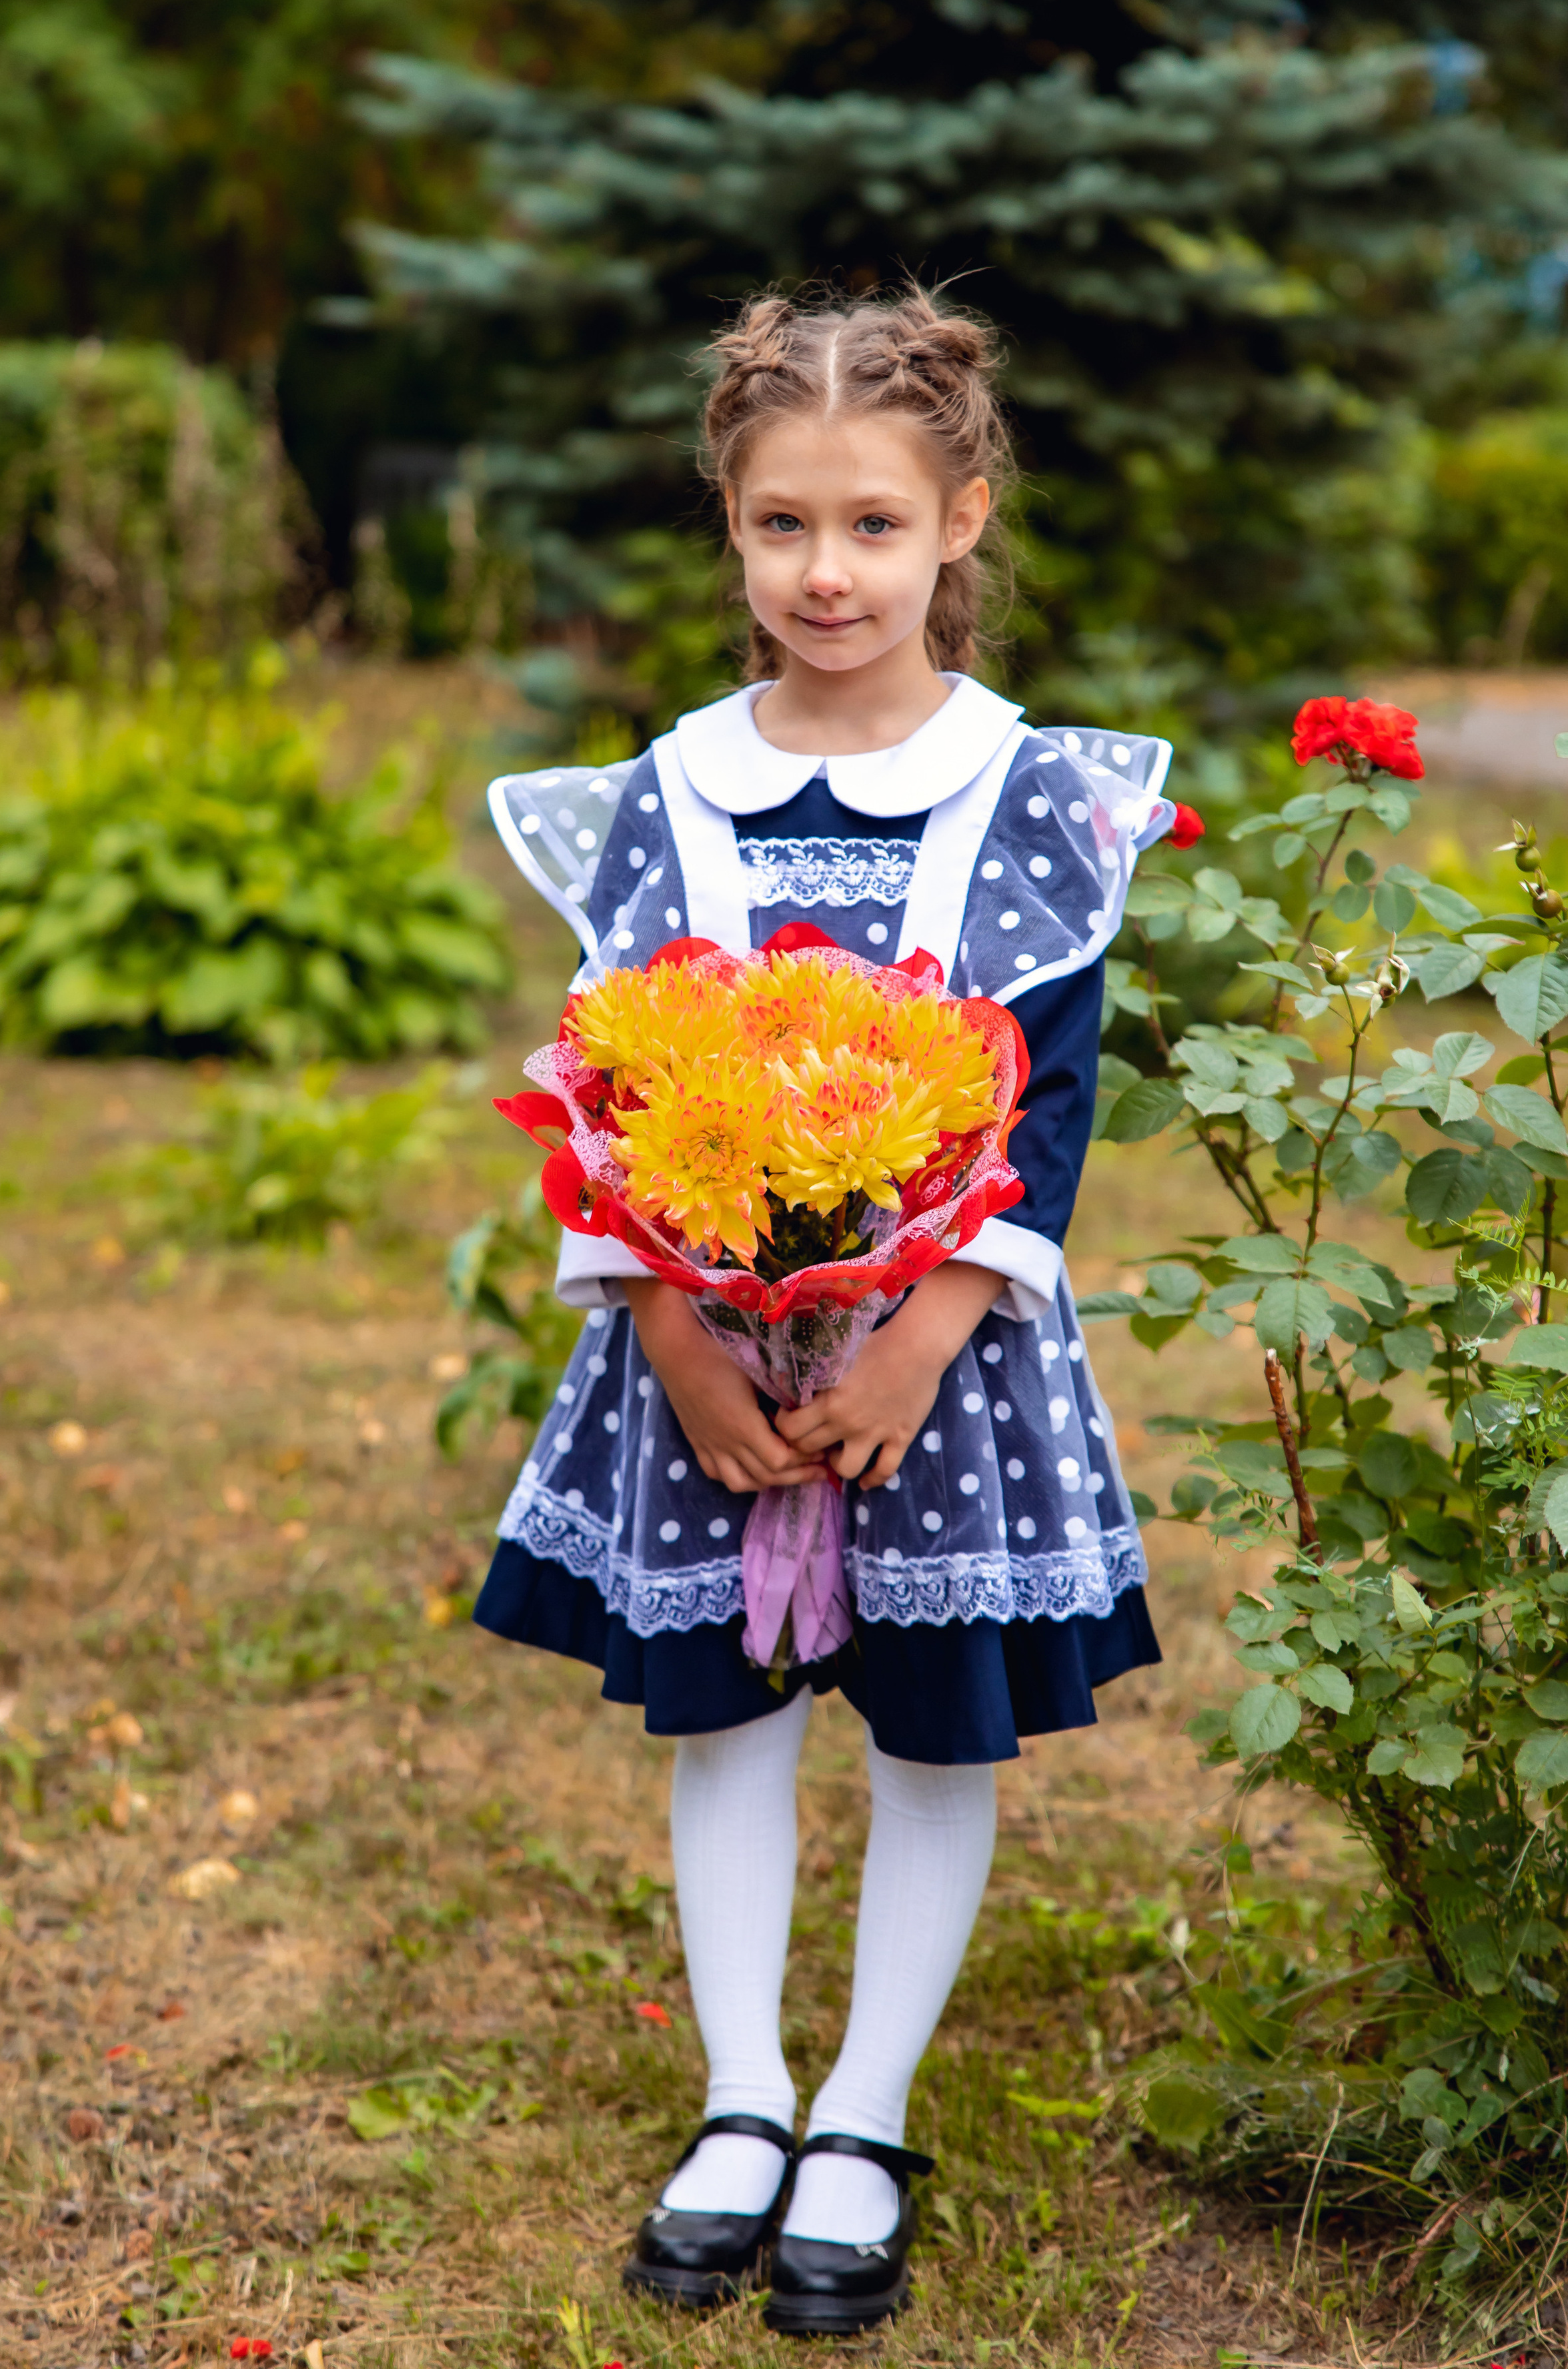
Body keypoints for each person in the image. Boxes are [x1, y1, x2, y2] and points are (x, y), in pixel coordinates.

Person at [475, 284, 1177, 2336]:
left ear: (962, 520)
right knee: (731, 1712)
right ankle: (742, 2098)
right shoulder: (674, 793)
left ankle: (866, 2110)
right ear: (731, 526)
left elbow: (1045, 1099)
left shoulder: (1025, 798)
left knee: (936, 1725)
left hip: (934, 1360)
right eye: (783, 525)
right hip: (703, 1360)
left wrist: (932, 1328)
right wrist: (677, 1338)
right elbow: (597, 1089)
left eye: (873, 524)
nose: (826, 571)